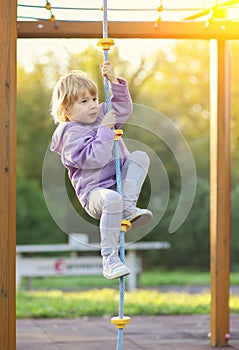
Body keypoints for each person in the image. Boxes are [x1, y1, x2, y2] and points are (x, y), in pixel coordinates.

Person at [50, 61, 153, 280]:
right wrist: (106, 129)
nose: (93, 105)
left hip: (118, 183)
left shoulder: (101, 115)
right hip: (95, 194)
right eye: (84, 102)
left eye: (94, 99)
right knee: (112, 199)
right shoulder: (70, 135)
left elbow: (122, 110)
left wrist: (115, 82)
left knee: (140, 157)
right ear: (66, 110)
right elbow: (94, 158)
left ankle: (128, 207)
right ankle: (110, 260)